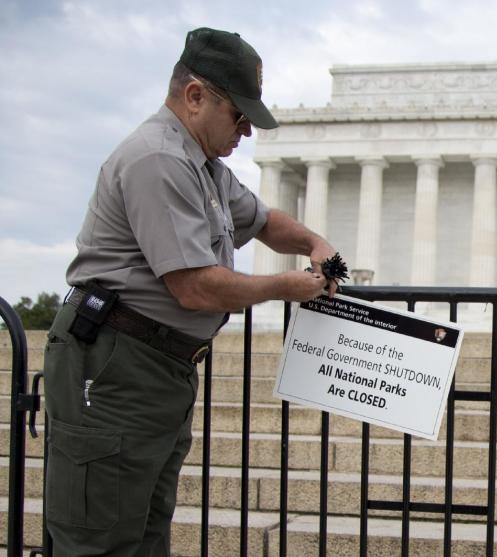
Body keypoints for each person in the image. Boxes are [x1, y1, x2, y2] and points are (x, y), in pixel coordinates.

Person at [42, 27, 337, 556]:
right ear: (195, 96)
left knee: (145, 529)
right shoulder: (158, 159)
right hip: (115, 361)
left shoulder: (205, 167)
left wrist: (314, 242)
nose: (246, 131)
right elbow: (195, 287)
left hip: (157, 366)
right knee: (101, 537)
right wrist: (283, 287)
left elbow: (266, 221)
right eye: (239, 115)